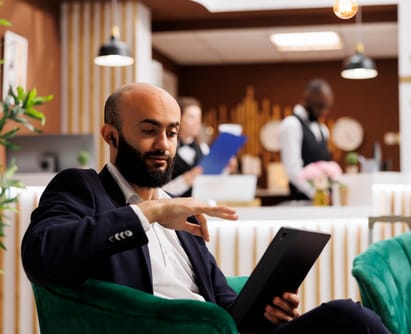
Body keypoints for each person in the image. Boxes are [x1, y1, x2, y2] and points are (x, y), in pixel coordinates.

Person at [21, 82, 389, 334]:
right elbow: (41, 252)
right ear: (111, 136)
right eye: (149, 130)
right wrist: (148, 214)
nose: (163, 144)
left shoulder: (181, 211)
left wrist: (266, 311)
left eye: (171, 132)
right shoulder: (82, 187)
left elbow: (221, 300)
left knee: (348, 318)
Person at [279, 78, 334, 201]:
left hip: (324, 201)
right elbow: (293, 169)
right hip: (301, 202)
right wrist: (317, 194)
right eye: (320, 106)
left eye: (327, 107)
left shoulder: (323, 129)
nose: (324, 111)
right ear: (307, 98)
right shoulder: (291, 125)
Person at [163, 97, 209, 197]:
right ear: (178, 119)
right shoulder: (165, 149)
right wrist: (185, 180)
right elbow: (158, 192)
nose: (197, 122)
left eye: (199, 118)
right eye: (191, 117)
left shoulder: (204, 149)